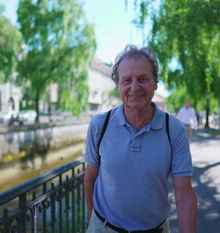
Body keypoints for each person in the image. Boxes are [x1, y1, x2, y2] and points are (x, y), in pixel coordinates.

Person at [84, 44, 198, 233]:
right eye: (127, 80)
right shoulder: (99, 125)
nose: (134, 87)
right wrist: (92, 222)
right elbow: (90, 179)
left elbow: (184, 194)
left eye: (143, 79)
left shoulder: (174, 130)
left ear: (155, 83)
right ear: (118, 85)